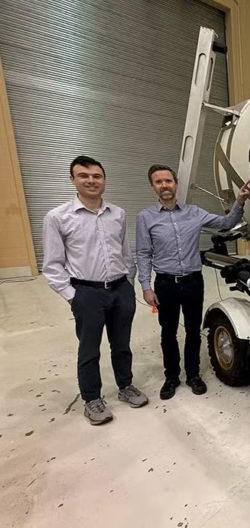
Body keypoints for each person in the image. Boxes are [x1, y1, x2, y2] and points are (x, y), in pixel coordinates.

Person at [43, 155, 149, 426]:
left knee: (122, 344)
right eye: (84, 176)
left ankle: (125, 386)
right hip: (86, 293)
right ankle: (91, 399)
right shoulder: (58, 217)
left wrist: (128, 283)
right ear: (73, 180)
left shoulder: (118, 214)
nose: (91, 181)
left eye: (97, 176)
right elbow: (52, 265)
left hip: (120, 289)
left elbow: (126, 252)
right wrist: (73, 296)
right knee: (89, 348)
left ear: (104, 180)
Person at [136, 164, 250, 400]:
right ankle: (171, 377)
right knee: (168, 333)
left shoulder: (195, 213)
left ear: (176, 184)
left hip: (192, 283)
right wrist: (146, 286)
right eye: (159, 182)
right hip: (165, 284)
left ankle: (193, 375)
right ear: (152, 186)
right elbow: (143, 253)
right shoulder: (145, 218)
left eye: (168, 181)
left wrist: (240, 201)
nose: (164, 185)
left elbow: (226, 223)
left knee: (193, 331)